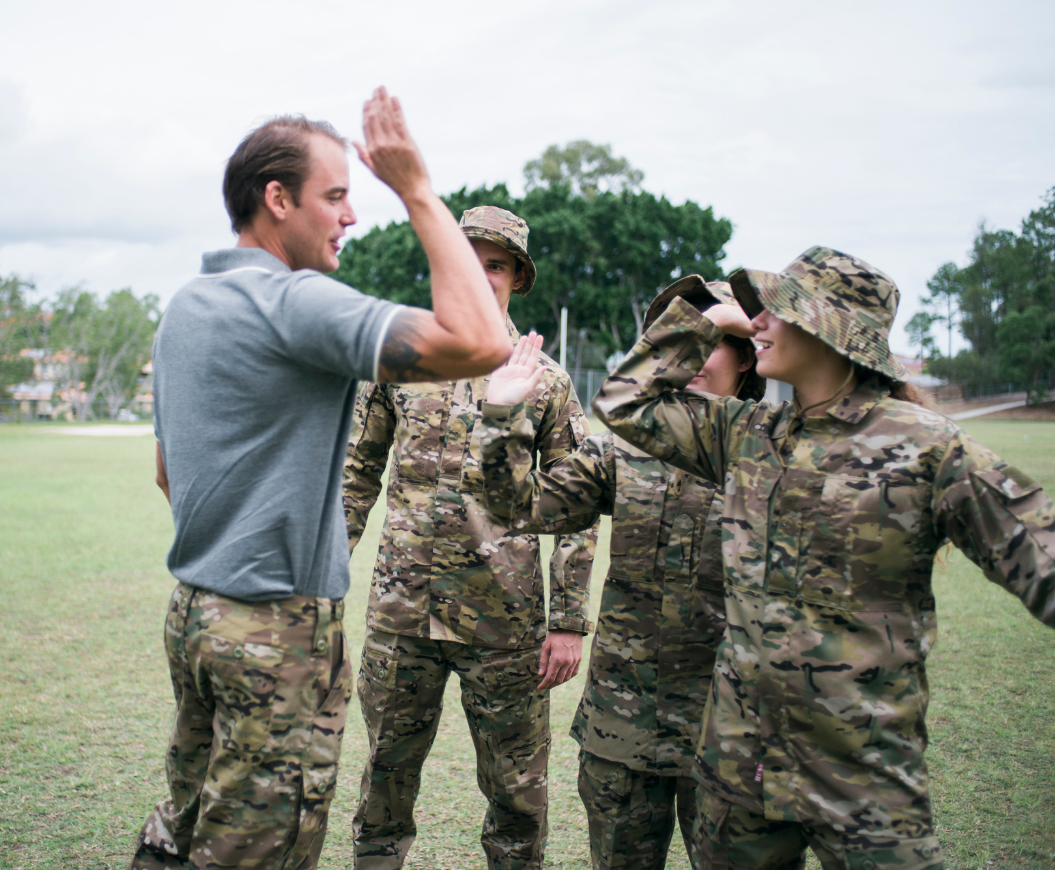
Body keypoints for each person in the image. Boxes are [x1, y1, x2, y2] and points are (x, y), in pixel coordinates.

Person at [130, 88, 513, 870]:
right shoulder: (296, 303)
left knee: (185, 825)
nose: (351, 215)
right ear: (278, 200)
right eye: (336, 195)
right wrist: (415, 189)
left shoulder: (186, 306)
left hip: (196, 613)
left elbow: (169, 473)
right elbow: (481, 341)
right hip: (275, 627)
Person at [579, 246, 1055, 870]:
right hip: (738, 775)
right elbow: (624, 403)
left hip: (863, 781)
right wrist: (704, 321)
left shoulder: (927, 450)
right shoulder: (748, 433)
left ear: (831, 330)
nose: (758, 321)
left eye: (777, 309)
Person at [477, 276, 773, 870]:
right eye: (673, 341)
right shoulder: (622, 452)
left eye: (708, 339)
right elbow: (518, 504)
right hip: (623, 728)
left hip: (734, 732)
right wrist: (503, 415)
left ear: (746, 358)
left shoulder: (775, 446)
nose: (687, 359)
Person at [342, 205, 599, 870]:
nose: (481, 276)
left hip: (505, 626)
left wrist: (568, 621)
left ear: (516, 278)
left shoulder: (546, 380)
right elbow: (354, 476)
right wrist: (320, 572)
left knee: (518, 798)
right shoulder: (399, 360)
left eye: (497, 265)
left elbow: (575, 503)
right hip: (402, 618)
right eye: (468, 260)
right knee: (383, 787)